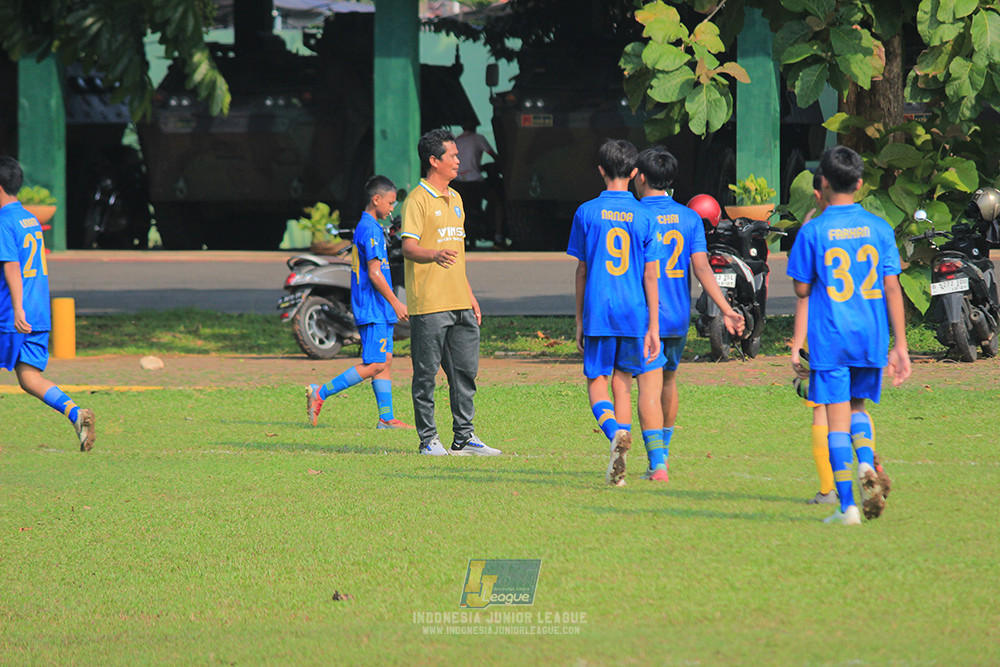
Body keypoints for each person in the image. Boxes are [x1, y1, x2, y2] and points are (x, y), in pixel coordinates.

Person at [787, 146, 910, 525]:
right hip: (870, 337)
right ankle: (866, 463)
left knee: (835, 420)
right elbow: (892, 288)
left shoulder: (814, 231)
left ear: (821, 182)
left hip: (832, 337)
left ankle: (847, 507)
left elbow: (802, 291)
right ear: (859, 183)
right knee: (858, 409)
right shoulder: (879, 227)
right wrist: (901, 346)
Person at [633, 146, 745, 481]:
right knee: (669, 381)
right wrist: (726, 309)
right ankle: (663, 455)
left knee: (647, 389)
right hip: (678, 316)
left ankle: (657, 465)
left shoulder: (635, 215)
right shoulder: (689, 217)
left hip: (645, 318)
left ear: (639, 176)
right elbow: (702, 269)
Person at [568, 139, 665, 486]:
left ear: (600, 170)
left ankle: (613, 434)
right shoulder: (644, 215)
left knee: (597, 382)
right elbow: (650, 273)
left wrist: (579, 319)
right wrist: (653, 325)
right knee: (623, 385)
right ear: (635, 172)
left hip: (599, 309)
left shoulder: (586, 212)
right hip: (634, 312)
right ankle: (618, 469)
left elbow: (581, 270)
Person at [401, 128, 500, 456]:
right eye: (453, 156)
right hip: (429, 304)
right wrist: (434, 254)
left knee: (464, 373)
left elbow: (457, 257)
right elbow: (409, 247)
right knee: (426, 375)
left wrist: (470, 296)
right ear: (434, 161)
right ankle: (429, 439)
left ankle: (464, 437)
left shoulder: (456, 199)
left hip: (460, 301)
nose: (459, 160)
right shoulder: (417, 199)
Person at [0, 156, 96, 451]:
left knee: (28, 375)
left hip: (13, 313)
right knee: (29, 377)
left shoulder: (4, 221)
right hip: (39, 311)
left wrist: (16, 309)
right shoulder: (29, 218)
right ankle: (75, 413)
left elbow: (12, 267)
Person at [306, 175, 413, 430]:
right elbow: (375, 273)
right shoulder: (370, 229)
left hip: (380, 308)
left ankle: (386, 419)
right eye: (390, 202)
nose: (392, 207)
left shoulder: (370, 227)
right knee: (375, 364)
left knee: (384, 361)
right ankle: (320, 392)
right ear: (376, 199)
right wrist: (397, 303)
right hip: (374, 307)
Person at [452, 122, 505, 249]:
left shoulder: (456, 140)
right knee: (498, 203)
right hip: (475, 182)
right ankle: (499, 238)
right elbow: (493, 155)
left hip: (457, 182)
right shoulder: (478, 138)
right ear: (475, 126)